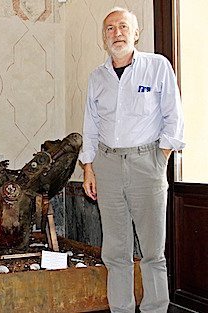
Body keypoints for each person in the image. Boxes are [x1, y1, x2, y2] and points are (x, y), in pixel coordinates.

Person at [79, 7, 184, 313]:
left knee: (152, 251)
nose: (117, 33)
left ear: (136, 33)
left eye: (123, 26)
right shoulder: (97, 78)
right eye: (110, 28)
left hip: (146, 163)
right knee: (115, 251)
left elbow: (173, 118)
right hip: (107, 165)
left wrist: (158, 158)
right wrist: (89, 167)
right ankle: (121, 309)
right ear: (104, 37)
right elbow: (91, 125)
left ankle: (155, 308)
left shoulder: (157, 67)